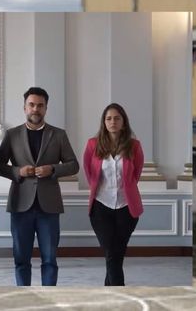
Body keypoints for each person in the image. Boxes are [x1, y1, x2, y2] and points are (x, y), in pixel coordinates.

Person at [0, 87, 79, 286]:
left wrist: (52, 169)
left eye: (40, 105)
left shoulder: (58, 135)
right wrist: (17, 172)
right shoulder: (12, 134)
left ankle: (48, 300)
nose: (35, 109)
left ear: (46, 108)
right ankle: (24, 298)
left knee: (50, 259)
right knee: (21, 259)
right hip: (20, 205)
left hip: (48, 207)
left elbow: (73, 165)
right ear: (24, 108)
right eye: (31, 105)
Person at [82, 102, 145, 285]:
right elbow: (89, 172)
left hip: (127, 208)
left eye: (117, 118)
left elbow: (136, 174)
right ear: (104, 122)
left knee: (116, 256)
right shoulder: (92, 145)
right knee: (111, 253)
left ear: (124, 122)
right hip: (101, 207)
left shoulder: (134, 146)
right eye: (108, 118)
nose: (113, 122)